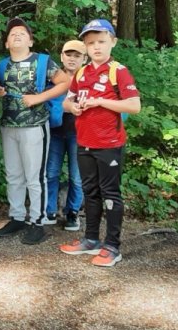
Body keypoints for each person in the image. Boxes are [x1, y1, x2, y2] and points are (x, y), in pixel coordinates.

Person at [59, 19, 141, 267]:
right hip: (84, 141)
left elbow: (134, 106)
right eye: (91, 42)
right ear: (86, 46)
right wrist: (72, 107)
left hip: (109, 143)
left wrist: (100, 102)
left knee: (110, 194)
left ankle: (112, 246)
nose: (96, 47)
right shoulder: (82, 73)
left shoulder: (118, 71)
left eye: (101, 42)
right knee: (90, 192)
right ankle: (91, 239)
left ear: (112, 42)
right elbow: (67, 102)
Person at [0, 17, 70, 245]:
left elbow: (65, 82)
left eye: (22, 32)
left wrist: (39, 98)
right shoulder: (1, 65)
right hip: (8, 126)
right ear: (7, 43)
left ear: (30, 41)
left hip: (35, 125)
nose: (17, 34)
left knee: (35, 176)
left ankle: (38, 221)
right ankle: (17, 217)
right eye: (12, 33)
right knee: (13, 175)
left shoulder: (42, 61)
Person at [45, 40, 87, 231]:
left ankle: (73, 212)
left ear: (84, 59)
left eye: (77, 56)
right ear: (61, 57)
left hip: (79, 135)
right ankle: (50, 210)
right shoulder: (52, 79)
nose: (72, 59)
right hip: (55, 133)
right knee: (51, 172)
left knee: (76, 176)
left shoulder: (89, 80)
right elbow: (45, 103)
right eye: (68, 55)